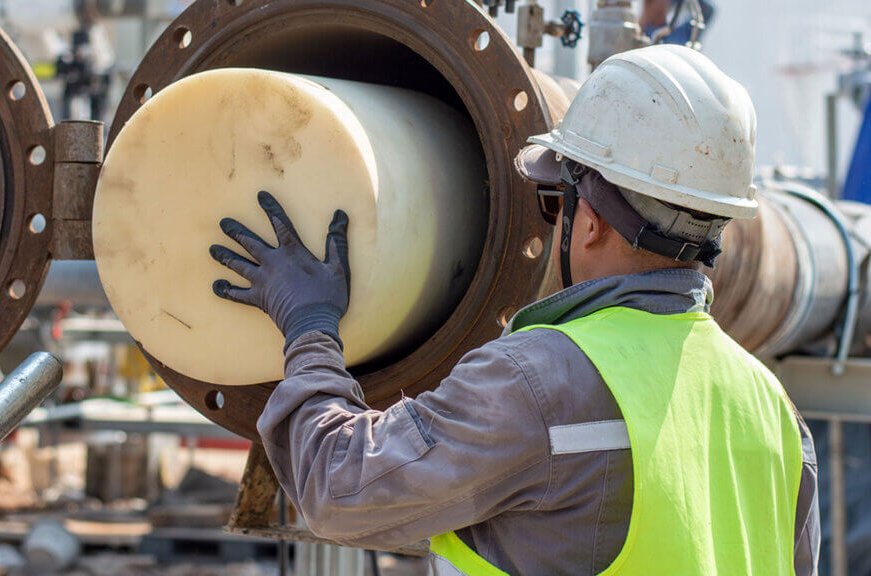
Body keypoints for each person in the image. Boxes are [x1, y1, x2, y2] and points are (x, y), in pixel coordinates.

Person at [209, 45, 819, 575]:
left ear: (591, 221)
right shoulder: (774, 411)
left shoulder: (538, 384)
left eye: (554, 201)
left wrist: (310, 327)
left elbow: (338, 490)